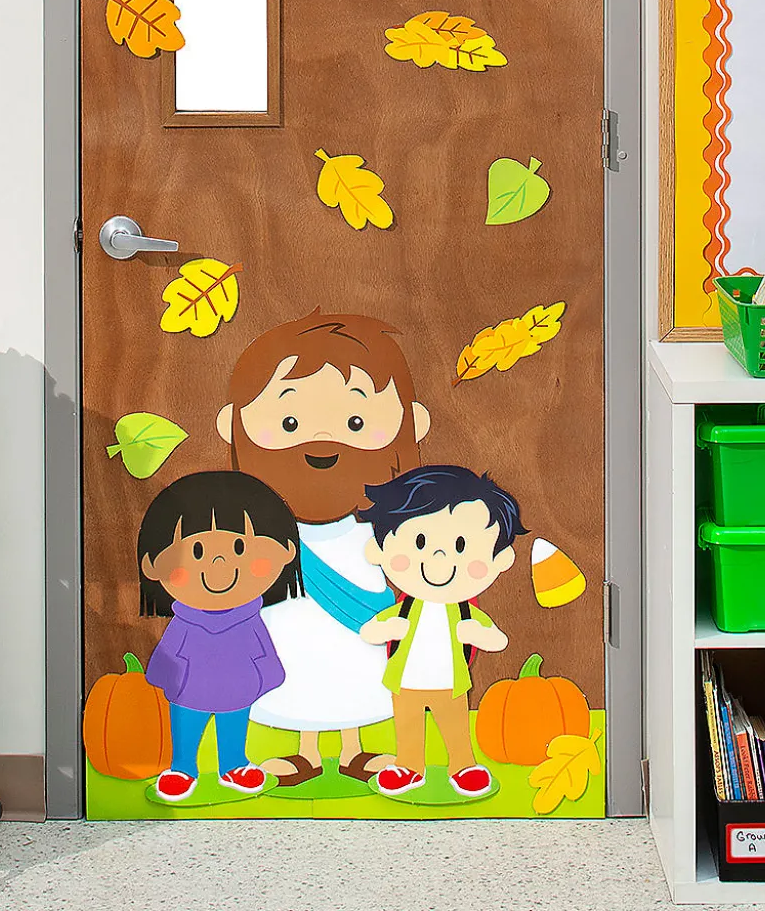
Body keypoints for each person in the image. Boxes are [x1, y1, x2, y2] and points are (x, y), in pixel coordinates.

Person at [217, 312, 430, 788]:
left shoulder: (377, 529)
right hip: (288, 621)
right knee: (297, 663)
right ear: (232, 425)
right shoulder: (263, 531)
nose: (321, 444)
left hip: (365, 618)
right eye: (289, 421)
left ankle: (353, 748)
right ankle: (305, 752)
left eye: (356, 421)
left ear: (413, 424)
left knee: (356, 668)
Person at [358, 463, 526, 800]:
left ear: (501, 559)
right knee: (408, 726)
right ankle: (409, 765)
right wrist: (386, 627)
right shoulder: (404, 608)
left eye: (461, 545)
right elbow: (371, 631)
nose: (438, 556)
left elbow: (496, 639)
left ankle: (463, 766)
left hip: (450, 682)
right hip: (405, 681)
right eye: (419, 541)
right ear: (379, 549)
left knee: (455, 726)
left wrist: (478, 634)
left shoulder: (463, 612)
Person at [138, 470, 303, 802]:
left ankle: (233, 764)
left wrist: (268, 676)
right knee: (186, 726)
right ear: (153, 565)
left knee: (233, 726)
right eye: (196, 551)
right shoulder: (184, 621)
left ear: (285, 551)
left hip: (237, 690)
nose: (218, 564)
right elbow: (168, 653)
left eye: (240, 547)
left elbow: (263, 651)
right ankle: (182, 768)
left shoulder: (249, 618)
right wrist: (161, 677)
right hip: (188, 691)